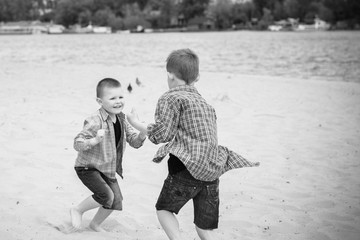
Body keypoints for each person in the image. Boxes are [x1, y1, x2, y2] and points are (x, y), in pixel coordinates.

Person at [127, 48, 260, 240]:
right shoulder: (205, 103)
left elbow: (162, 134)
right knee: (203, 227)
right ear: (196, 78)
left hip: (185, 168)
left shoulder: (170, 97)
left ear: (169, 76)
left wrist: (135, 123)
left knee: (164, 209)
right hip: (212, 169)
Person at [70, 78, 146, 232]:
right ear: (100, 101)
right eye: (112, 98)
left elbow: (135, 142)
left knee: (116, 201)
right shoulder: (95, 120)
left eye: (120, 97)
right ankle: (77, 209)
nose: (118, 102)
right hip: (87, 167)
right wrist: (95, 140)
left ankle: (95, 224)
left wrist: (142, 129)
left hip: (107, 168)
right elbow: (77, 143)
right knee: (106, 196)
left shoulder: (122, 118)